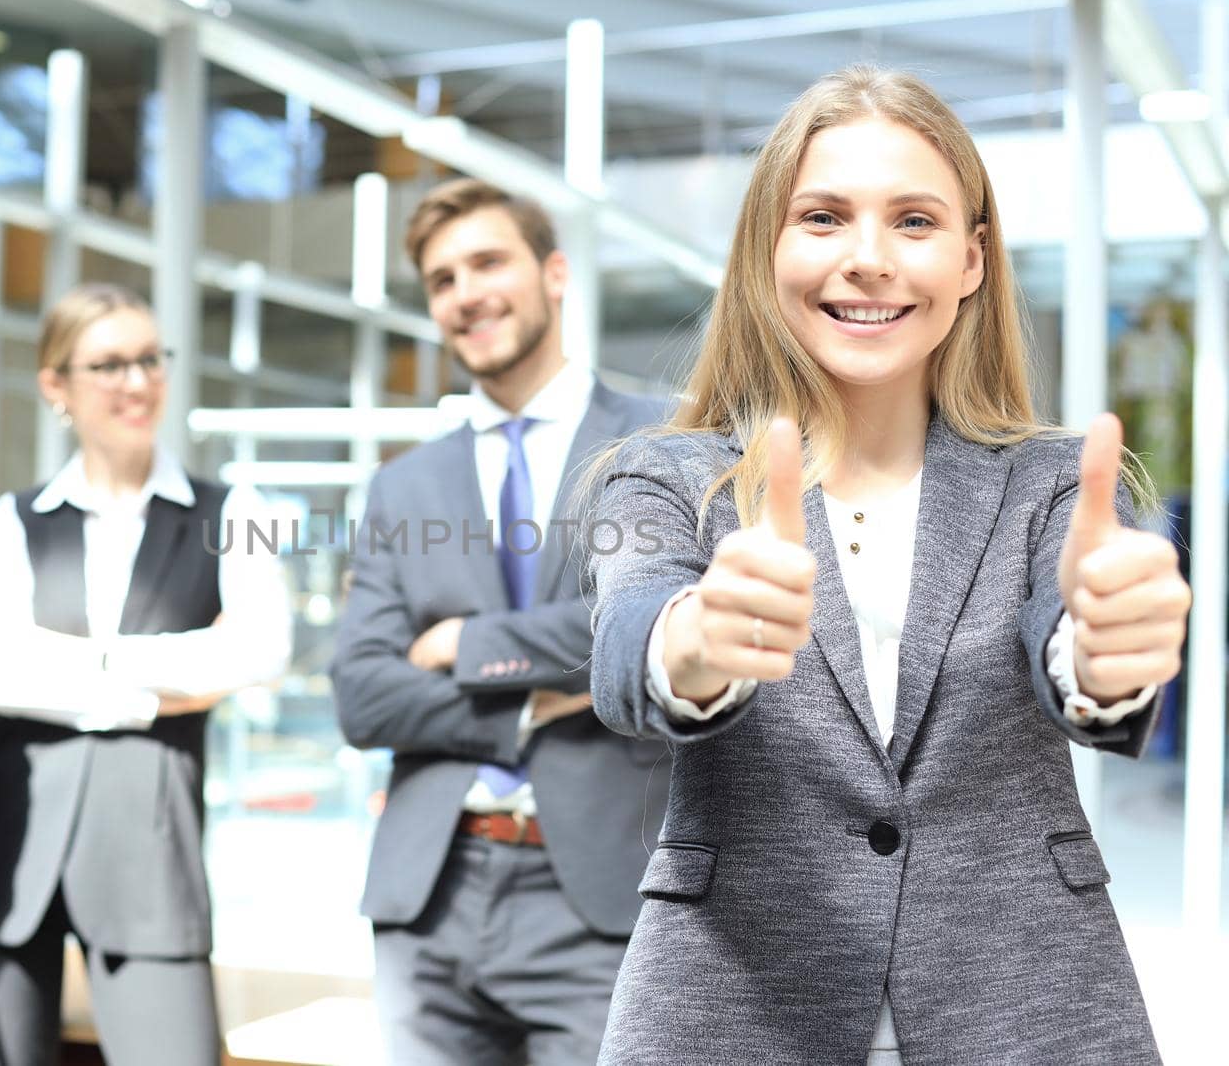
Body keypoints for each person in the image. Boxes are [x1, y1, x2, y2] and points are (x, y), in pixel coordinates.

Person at [586, 67, 1190, 1064]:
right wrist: (695, 637)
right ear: (764, 251)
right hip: (732, 1004)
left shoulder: (1055, 485)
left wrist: (1102, 651)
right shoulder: (660, 476)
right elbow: (627, 636)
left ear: (970, 257)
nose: (867, 259)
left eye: (913, 221)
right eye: (822, 217)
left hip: (1024, 1004)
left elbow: (1068, 634)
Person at [330, 178, 670, 1065]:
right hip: (428, 900)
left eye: (487, 261)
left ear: (555, 273)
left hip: (600, 895)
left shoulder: (661, 443)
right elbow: (362, 693)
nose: (465, 293)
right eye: (443, 279)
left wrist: (468, 647)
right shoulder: (402, 487)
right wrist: (534, 703)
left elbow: (648, 618)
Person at [0, 282, 292, 1066]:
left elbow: (261, 649)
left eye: (148, 358)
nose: (137, 381)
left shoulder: (237, 509)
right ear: (55, 385)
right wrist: (161, 679)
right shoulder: (15, 515)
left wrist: (77, 658)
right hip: (11, 839)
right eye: (108, 364)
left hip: (150, 843)